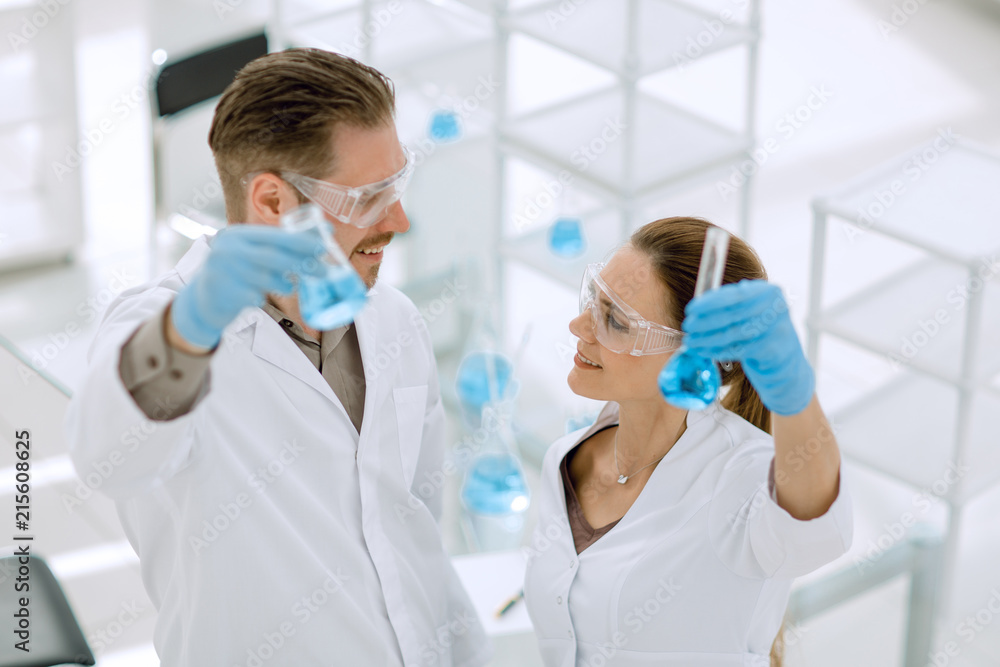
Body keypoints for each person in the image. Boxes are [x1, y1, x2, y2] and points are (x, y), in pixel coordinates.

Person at [65, 48, 489, 666]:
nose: (398, 219)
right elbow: (109, 460)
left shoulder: (393, 317)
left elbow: (416, 521)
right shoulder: (162, 329)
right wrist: (192, 327)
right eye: (370, 196)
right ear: (271, 202)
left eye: (398, 184)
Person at [523, 217, 852, 666]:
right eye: (592, 300)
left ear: (692, 352)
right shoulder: (566, 457)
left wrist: (793, 391)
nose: (579, 327)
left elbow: (815, 524)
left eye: (614, 320)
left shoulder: (741, 477)